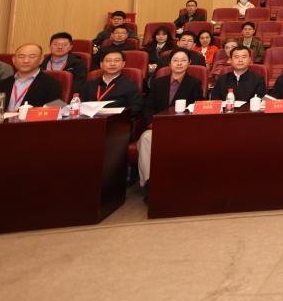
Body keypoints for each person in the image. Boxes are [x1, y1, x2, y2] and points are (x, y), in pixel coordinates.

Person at [137, 48, 202, 193]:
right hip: (158, 127)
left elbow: (197, 107)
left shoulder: (195, 83)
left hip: (183, 128)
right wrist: (152, 124)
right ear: (169, 63)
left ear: (189, 63)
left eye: (183, 60)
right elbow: (148, 106)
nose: (179, 63)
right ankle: (149, 184)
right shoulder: (158, 83)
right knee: (146, 138)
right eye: (175, 60)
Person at [0, 43, 60, 110]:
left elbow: (54, 112)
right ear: (14, 60)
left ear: (41, 59)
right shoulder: (1, 84)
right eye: (21, 56)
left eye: (32, 56)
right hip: (3, 120)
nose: (26, 61)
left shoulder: (52, 84)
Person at [81, 48, 144, 116]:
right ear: (101, 64)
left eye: (117, 61)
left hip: (117, 120)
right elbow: (81, 105)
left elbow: (136, 108)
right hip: (90, 119)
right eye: (108, 61)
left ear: (123, 64)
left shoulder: (130, 85)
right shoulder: (90, 84)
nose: (112, 64)